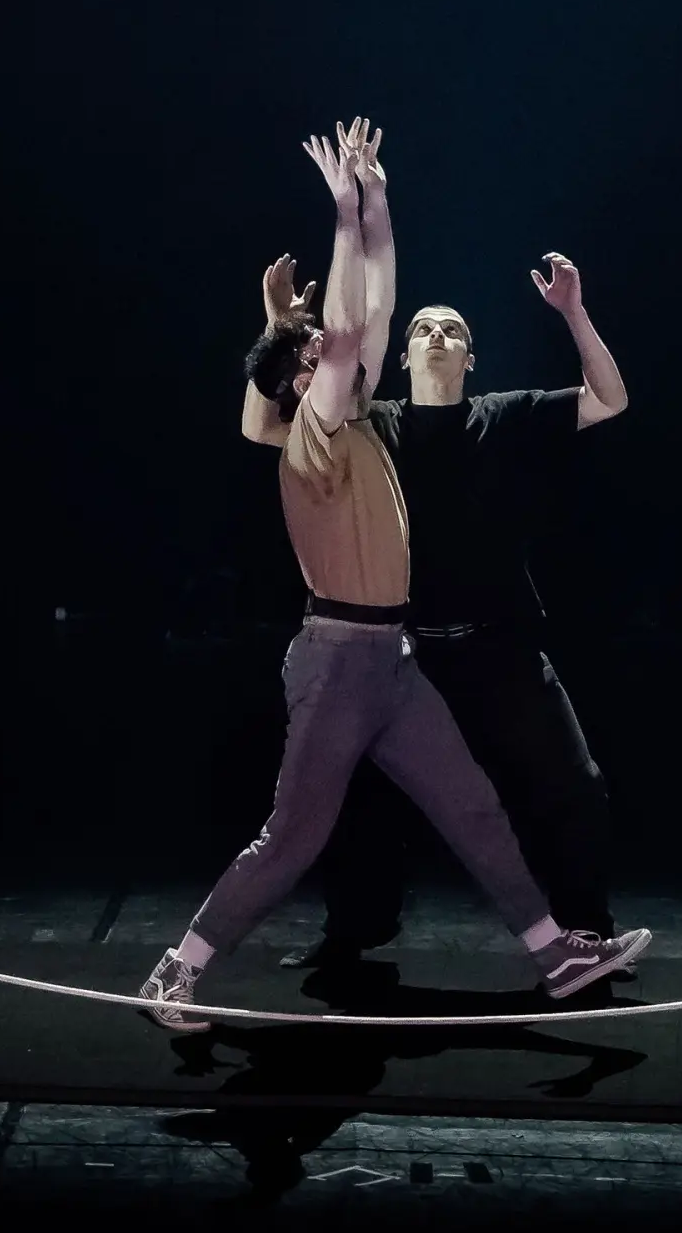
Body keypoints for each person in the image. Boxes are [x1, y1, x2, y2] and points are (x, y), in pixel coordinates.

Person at [140, 120, 649, 1030]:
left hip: (394, 663)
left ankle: (556, 955)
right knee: (291, 837)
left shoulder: (367, 418)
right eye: (312, 362)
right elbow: (340, 334)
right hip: (338, 665)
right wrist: (339, 213)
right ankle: (178, 969)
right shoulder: (315, 433)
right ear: (302, 382)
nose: (340, 357)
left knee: (476, 810)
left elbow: (367, 317)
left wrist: (376, 204)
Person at [242, 252, 627, 969]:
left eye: (451, 328)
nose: (435, 334)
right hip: (402, 652)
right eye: (422, 326)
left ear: (471, 356)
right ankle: (351, 934)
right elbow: (265, 428)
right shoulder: (369, 425)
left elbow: (608, 400)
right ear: (406, 351)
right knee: (359, 791)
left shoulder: (506, 416)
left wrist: (572, 312)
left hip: (498, 649)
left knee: (572, 785)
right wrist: (280, 325)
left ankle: (583, 932)